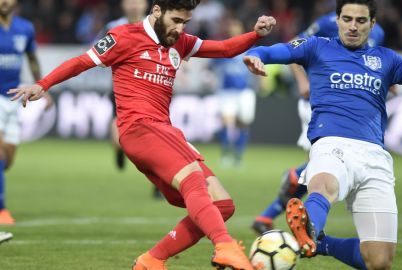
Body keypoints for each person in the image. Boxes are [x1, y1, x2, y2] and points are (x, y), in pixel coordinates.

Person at [8, 1, 276, 269]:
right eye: (176, 20)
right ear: (157, 11)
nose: (180, 28)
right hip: (139, 127)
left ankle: (152, 260)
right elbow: (82, 61)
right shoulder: (123, 37)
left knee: (223, 204)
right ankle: (225, 246)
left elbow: (225, 49)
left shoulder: (180, 42)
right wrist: (43, 84)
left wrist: (255, 35)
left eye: (186, 22)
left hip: (164, 130)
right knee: (193, 179)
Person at [243, 0, 402, 269]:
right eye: (347, 19)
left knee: (379, 262)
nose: (353, 26)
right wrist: (258, 56)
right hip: (331, 143)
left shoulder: (387, 60)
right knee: (323, 185)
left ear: (372, 24)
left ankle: (319, 243)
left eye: (360, 20)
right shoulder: (316, 47)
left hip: (375, 157)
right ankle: (308, 230)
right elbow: (276, 51)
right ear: (337, 20)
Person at [252, 7, 385, 235]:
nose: (353, 24)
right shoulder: (327, 23)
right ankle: (299, 204)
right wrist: (303, 81)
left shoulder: (378, 33)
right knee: (325, 164)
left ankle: (272, 210)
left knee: (325, 166)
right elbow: (295, 43)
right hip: (319, 102)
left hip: (351, 106)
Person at [0, 0, 52, 225]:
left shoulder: (25, 29)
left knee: (7, 160)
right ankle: (2, 209)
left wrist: (43, 86)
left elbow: (31, 59)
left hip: (13, 98)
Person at [95, 0, 148, 171]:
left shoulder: (156, 26)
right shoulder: (112, 27)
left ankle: (159, 180)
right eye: (130, 1)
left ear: (146, 4)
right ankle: (119, 150)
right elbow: (97, 53)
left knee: (155, 136)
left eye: (138, 1)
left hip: (152, 87)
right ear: (123, 5)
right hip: (122, 89)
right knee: (118, 132)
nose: (134, 5)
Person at [212, 17, 257, 167]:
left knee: (243, 123)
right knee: (226, 122)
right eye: (231, 27)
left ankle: (238, 156)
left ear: (241, 30)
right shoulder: (224, 47)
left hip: (245, 91)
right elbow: (212, 66)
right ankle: (226, 154)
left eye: (236, 27)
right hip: (227, 91)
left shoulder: (249, 48)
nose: (233, 30)